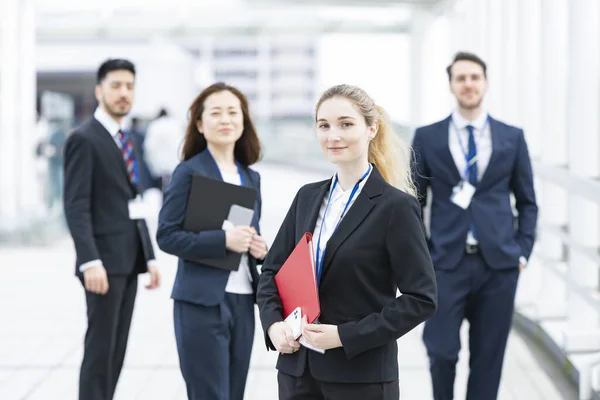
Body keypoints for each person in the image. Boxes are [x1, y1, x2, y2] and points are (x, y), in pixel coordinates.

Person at [257, 84, 438, 400]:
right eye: (323, 125)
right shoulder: (306, 198)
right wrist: (274, 327)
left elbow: (421, 298)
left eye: (345, 124)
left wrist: (344, 336)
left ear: (371, 128)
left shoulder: (395, 207)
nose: (332, 135)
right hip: (297, 372)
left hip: (361, 377)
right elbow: (271, 273)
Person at [412, 52, 538, 400]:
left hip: (498, 265)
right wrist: (422, 256)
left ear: (485, 82)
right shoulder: (427, 137)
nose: (468, 84)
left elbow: (527, 202)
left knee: (488, 359)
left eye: (474, 77)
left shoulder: (512, 137)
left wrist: (522, 252)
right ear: (451, 84)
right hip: (445, 264)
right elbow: (414, 203)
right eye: (461, 78)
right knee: (441, 351)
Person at [156, 82, 268, 400]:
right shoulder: (188, 172)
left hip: (244, 300)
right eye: (215, 113)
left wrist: (260, 250)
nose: (225, 120)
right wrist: (223, 240)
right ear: (201, 124)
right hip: (202, 303)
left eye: (233, 112)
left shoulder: (251, 177)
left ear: (243, 121)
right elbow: (166, 235)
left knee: (234, 394)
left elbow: (248, 234)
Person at [63, 59, 161, 400]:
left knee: (117, 350)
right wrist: (89, 261)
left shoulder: (127, 138)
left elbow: (132, 202)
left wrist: (149, 257)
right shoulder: (84, 139)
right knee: (100, 350)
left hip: (128, 261)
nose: (123, 93)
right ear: (99, 90)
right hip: (102, 264)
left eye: (129, 86)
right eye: (116, 85)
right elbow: (76, 206)